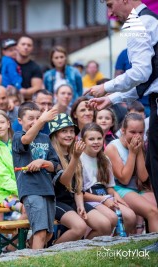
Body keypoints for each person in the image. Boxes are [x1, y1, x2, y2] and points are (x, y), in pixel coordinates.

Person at [86, 1, 158, 250]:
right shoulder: (149, 19)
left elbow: (140, 71)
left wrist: (106, 86)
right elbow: (150, 79)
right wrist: (113, 98)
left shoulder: (137, 22)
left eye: (110, 3)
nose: (109, 12)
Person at [49, 114, 112, 243]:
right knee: (79, 227)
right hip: (55, 202)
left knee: (105, 225)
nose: (69, 134)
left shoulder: (74, 153)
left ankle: (80, 250)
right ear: (55, 134)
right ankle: (54, 252)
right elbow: (64, 181)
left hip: (73, 200)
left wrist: (80, 205)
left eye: (72, 131)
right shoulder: (52, 155)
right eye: (64, 131)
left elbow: (78, 186)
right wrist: (76, 158)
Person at [12, 102, 59, 249]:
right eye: (30, 118)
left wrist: (42, 162)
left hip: (47, 190)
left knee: (49, 234)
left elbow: (54, 166)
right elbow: (26, 140)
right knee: (40, 231)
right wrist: (41, 120)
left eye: (37, 117)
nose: (35, 121)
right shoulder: (18, 136)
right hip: (30, 189)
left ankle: (25, 253)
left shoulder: (45, 138)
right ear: (20, 121)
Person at [80, 123, 137, 235]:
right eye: (91, 139)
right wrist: (103, 200)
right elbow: (80, 194)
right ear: (83, 141)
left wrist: (115, 196)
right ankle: (89, 247)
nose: (96, 142)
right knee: (111, 218)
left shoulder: (105, 159)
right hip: (90, 197)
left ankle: (115, 246)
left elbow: (109, 187)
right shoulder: (79, 159)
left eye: (99, 138)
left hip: (105, 195)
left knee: (131, 217)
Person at [105, 113, 158, 233]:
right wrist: (132, 153)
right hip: (120, 188)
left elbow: (143, 177)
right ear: (123, 130)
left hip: (137, 187)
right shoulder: (113, 147)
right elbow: (124, 179)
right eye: (133, 132)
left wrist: (138, 152)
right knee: (152, 211)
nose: (137, 136)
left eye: (140, 132)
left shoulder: (140, 146)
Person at [0, 110, 26, 223]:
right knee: (28, 208)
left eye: (2, 122)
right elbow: (2, 178)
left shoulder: (17, 143)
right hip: (4, 196)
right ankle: (17, 239)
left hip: (21, 191)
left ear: (8, 124)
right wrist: (24, 191)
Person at [0, 36, 43, 101]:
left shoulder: (35, 67)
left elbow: (37, 89)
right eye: (23, 44)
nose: (26, 47)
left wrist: (19, 91)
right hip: (6, 101)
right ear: (17, 47)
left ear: (32, 48)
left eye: (29, 45)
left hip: (26, 103)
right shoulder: (7, 63)